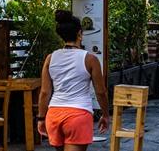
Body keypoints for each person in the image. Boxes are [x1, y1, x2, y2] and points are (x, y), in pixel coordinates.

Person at [37, 10, 110, 151]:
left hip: (54, 114)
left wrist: (41, 118)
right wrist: (106, 115)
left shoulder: (50, 58)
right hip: (78, 115)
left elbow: (45, 92)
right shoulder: (90, 59)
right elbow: (101, 92)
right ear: (79, 34)